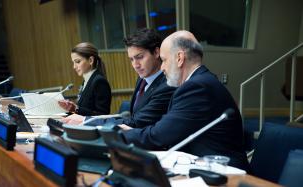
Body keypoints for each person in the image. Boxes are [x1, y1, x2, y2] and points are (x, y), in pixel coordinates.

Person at [119, 30, 250, 171]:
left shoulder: (197, 87)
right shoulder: (199, 81)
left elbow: (161, 134)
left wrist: (124, 133)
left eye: (164, 60)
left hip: (223, 173)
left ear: (179, 58)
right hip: (202, 165)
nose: (162, 67)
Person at [62, 28, 176, 128]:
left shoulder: (167, 84)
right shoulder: (142, 79)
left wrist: (86, 120)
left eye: (139, 57)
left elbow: (136, 122)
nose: (135, 65)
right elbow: (133, 118)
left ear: (156, 52)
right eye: (131, 59)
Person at [58, 42, 111, 116]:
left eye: (77, 62)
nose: (74, 67)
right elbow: (84, 109)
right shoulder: (86, 80)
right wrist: (69, 108)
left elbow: (102, 115)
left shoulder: (99, 81)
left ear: (90, 60)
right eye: (73, 62)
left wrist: (76, 109)